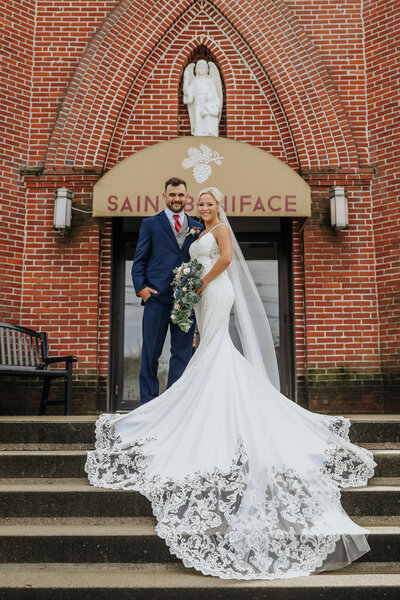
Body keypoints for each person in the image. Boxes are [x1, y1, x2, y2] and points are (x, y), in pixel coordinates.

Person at [86, 187, 376, 580]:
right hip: (199, 294)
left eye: (208, 203)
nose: (203, 208)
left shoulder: (219, 228)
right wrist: (190, 281)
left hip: (215, 292)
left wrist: (200, 283)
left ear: (217, 206)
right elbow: (171, 259)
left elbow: (224, 260)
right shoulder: (188, 227)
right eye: (200, 204)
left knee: (213, 350)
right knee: (203, 350)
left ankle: (209, 405)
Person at [131, 177, 204, 404]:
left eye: (181, 195)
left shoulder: (197, 227)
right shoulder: (150, 224)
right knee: (151, 353)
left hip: (186, 301)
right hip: (156, 299)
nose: (176, 199)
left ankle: (174, 403)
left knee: (181, 354)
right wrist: (141, 288)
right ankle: (148, 404)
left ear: (186, 197)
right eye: (172, 195)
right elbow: (139, 260)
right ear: (164, 196)